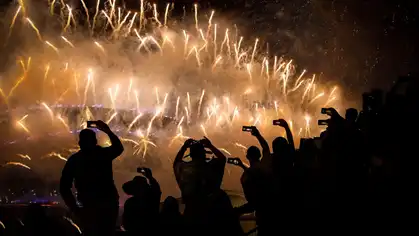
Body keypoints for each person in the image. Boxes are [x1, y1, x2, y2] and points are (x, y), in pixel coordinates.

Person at [60, 120, 124, 236]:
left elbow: (64, 187)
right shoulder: (103, 154)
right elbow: (119, 148)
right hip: (107, 203)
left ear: (80, 143)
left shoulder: (75, 160)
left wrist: (74, 208)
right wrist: (107, 130)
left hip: (90, 205)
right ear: (95, 141)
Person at [173, 137, 242, 236]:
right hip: (212, 217)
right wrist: (210, 145)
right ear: (204, 153)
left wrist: (184, 146)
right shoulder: (211, 167)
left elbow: (176, 163)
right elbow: (222, 159)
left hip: (191, 216)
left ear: (191, 155)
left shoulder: (184, 170)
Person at [122, 167, 161, 236]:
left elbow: (126, 224)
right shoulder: (152, 201)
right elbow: (156, 190)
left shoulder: (130, 203)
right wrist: (150, 177)